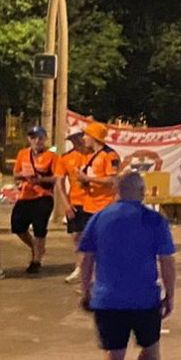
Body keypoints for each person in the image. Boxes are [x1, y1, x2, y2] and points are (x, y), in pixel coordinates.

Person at [76, 171, 176, 360]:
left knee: (113, 356)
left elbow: (86, 259)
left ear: (115, 191)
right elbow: (167, 261)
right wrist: (171, 294)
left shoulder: (99, 219)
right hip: (144, 299)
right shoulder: (154, 220)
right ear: (142, 192)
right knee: (151, 351)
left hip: (108, 299)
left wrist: (85, 291)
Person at [62, 122, 121, 284]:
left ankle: (108, 279)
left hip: (104, 206)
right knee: (89, 245)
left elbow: (113, 180)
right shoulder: (91, 155)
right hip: (89, 206)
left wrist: (88, 179)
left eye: (87, 135)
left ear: (94, 137)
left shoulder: (109, 155)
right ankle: (91, 279)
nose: (84, 138)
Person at [9, 125, 58, 277]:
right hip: (25, 195)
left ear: (45, 139)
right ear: (29, 139)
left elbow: (57, 177)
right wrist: (23, 175)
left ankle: (36, 260)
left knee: (39, 227)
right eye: (33, 137)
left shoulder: (52, 156)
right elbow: (15, 174)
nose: (37, 140)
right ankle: (36, 248)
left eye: (40, 137)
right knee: (17, 226)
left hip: (43, 195)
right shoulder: (23, 154)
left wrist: (41, 179)